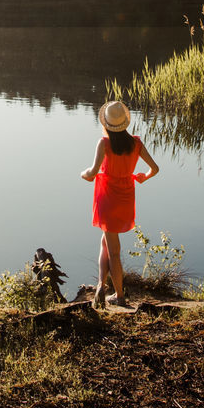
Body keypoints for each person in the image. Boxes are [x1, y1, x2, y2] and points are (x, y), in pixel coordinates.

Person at [81, 99, 159, 308]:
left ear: (106, 123)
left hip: (107, 198)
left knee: (114, 250)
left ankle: (119, 295)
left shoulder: (104, 143)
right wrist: (144, 177)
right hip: (125, 197)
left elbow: (92, 173)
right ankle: (100, 284)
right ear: (125, 122)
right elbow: (155, 169)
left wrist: (83, 173)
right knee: (106, 242)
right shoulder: (136, 143)